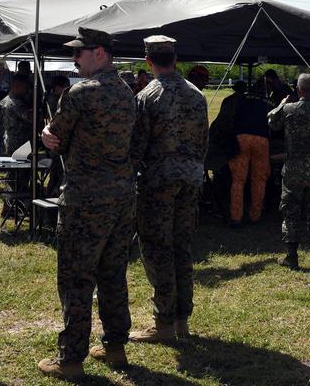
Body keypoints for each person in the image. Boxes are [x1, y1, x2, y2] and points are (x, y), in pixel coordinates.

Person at [37, 28, 137, 379]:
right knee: (113, 273)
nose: (74, 59)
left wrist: (48, 136)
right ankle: (115, 347)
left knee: (77, 279)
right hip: (122, 197)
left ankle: (71, 359)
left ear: (99, 53)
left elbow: (58, 137)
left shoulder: (80, 93)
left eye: (79, 53)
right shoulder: (128, 93)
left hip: (86, 198)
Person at [129, 35, 208, 343]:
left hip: (157, 184)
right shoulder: (196, 95)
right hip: (190, 180)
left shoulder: (147, 96)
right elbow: (204, 140)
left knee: (157, 250)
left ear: (148, 62)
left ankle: (164, 323)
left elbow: (137, 146)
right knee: (181, 248)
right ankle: (182, 322)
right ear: (175, 59)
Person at [268, 73, 310, 271]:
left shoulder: (289, 109)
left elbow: (272, 122)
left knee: (290, 211)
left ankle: (292, 256)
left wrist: (281, 104)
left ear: (298, 90)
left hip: (293, 170)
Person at [227, 81, 272, 226]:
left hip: (241, 138)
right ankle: (255, 216)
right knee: (259, 179)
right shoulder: (269, 103)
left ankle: (236, 217)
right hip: (262, 140)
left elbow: (231, 118)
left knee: (238, 180)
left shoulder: (241, 99)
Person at [0, 73, 32, 156]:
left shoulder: (5, 100)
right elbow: (31, 117)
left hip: (10, 138)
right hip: (19, 142)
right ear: (17, 86)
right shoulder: (16, 103)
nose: (27, 90)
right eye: (24, 87)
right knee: (20, 167)